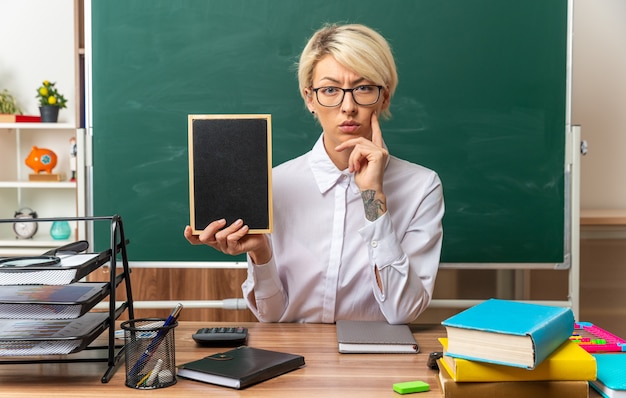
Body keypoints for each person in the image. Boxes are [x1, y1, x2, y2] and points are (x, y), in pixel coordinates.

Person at [184, 23, 444, 324]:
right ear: (310, 98)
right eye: (330, 90)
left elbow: (403, 312)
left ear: (383, 97)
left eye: (363, 88)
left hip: (377, 362)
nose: (348, 107)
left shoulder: (421, 187)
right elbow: (271, 317)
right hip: (293, 360)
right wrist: (261, 254)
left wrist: (373, 198)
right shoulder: (274, 184)